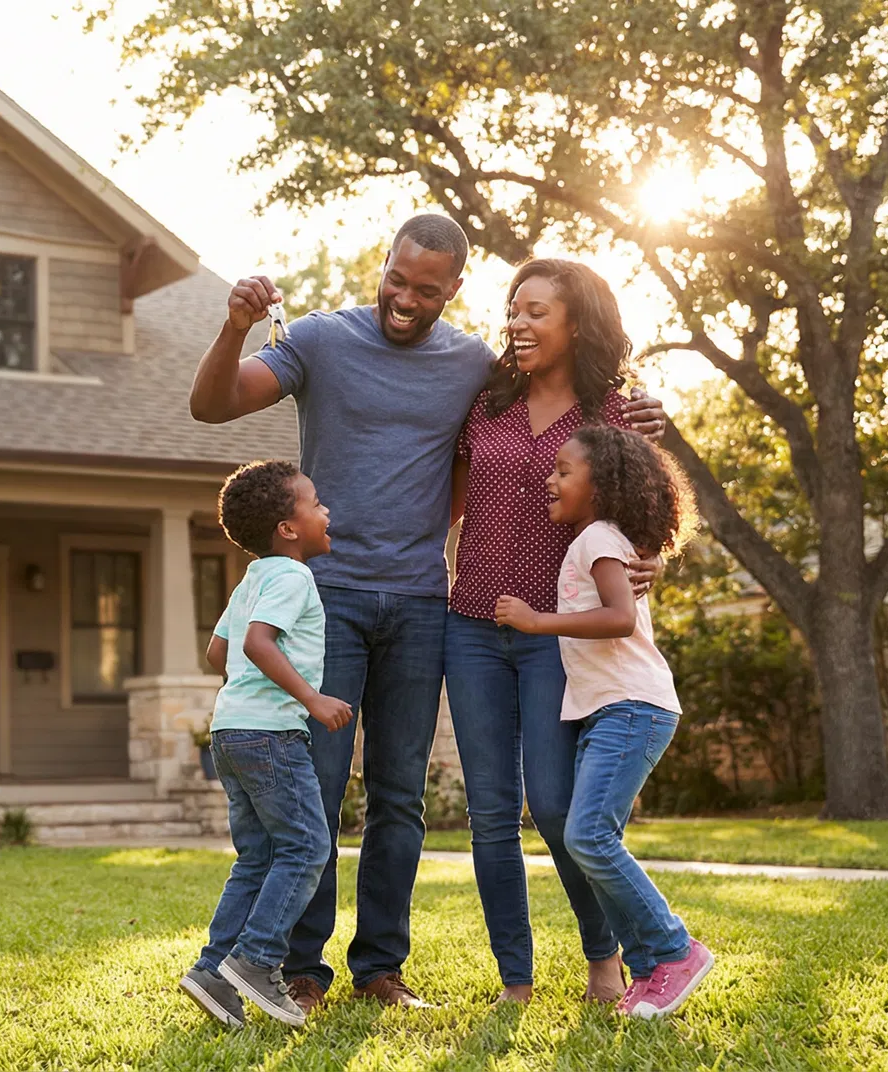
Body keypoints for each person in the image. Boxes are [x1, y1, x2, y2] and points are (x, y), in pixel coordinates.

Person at [190, 216, 668, 1010]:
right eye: (397, 278)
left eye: (426, 288)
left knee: (403, 796)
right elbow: (214, 405)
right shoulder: (328, 342)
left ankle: (380, 965)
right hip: (335, 599)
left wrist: (638, 527)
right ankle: (302, 971)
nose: (405, 298)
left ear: (454, 290)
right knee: (318, 784)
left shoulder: (477, 370)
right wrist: (235, 324)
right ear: (384, 265)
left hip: (422, 601)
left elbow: (560, 483)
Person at [446, 258, 668, 1004]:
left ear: (578, 322)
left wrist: (650, 565)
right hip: (471, 623)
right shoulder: (485, 401)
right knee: (487, 814)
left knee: (554, 805)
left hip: (557, 635)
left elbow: (647, 517)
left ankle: (603, 957)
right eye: (513, 309)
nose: (518, 322)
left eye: (537, 311)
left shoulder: (614, 414)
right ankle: (516, 977)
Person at [492, 423, 714, 1017]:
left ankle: (674, 949)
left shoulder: (596, 537)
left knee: (588, 835)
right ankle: (647, 971)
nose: (550, 478)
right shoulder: (598, 538)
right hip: (611, 709)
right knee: (587, 836)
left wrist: (536, 621)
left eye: (564, 471)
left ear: (603, 484)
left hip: (630, 707)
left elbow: (619, 617)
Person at [182, 460, 353, 1030]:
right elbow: (257, 643)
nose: (325, 511)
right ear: (289, 528)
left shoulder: (252, 577)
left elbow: (219, 653)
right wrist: (311, 697)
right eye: (315, 504)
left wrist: (254, 693)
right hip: (272, 734)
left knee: (258, 857)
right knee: (306, 847)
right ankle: (256, 961)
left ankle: (213, 973)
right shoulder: (292, 576)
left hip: (230, 731)